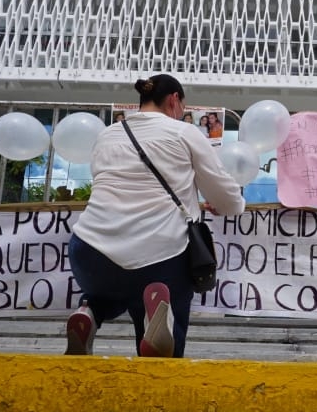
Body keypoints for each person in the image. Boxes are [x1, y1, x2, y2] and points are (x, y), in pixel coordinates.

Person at [64, 74, 245, 358]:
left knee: (108, 290)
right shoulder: (184, 133)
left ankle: (90, 311)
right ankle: (158, 325)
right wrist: (226, 205)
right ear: (174, 100)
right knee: (156, 300)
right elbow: (228, 198)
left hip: (89, 251)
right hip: (158, 258)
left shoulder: (107, 135)